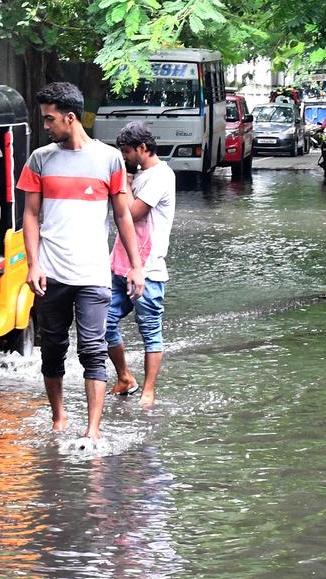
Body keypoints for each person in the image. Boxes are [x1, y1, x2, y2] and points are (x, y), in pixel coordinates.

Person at [17, 82, 146, 440]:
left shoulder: (108, 159)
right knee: (53, 349)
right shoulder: (40, 159)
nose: (46, 125)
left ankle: (92, 431)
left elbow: (123, 216)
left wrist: (135, 265)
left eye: (49, 119)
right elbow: (30, 215)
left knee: (93, 348)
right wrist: (33, 263)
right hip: (51, 273)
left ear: (70, 118)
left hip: (92, 274)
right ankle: (59, 420)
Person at [106, 121, 175, 406]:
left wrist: (123, 181)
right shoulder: (141, 175)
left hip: (148, 271)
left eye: (126, 151)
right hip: (119, 266)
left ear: (142, 148)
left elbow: (132, 213)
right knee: (104, 323)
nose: (124, 157)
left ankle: (148, 391)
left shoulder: (160, 176)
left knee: (150, 331)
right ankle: (124, 377)